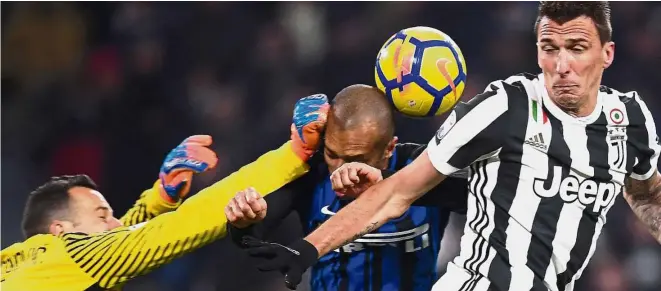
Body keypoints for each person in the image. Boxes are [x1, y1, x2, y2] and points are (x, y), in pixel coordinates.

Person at [242, 2, 661, 291]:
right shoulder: (504, 107)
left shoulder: (631, 121)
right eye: (549, 48)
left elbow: (647, 193)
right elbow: (398, 191)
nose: (561, 64)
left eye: (576, 48)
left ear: (606, 54)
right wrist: (308, 249)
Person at [0, 94, 329, 291]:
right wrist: (293, 154)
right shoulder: (75, 254)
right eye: (102, 216)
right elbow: (184, 225)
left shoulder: (22, 267)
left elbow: (122, 239)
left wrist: (159, 199)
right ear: (61, 230)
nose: (115, 224)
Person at [225, 84, 469, 291]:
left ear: (389, 149)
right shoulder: (313, 172)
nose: (339, 169)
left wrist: (385, 179)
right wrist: (243, 220)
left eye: (356, 159)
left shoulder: (422, 166)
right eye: (332, 154)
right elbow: (250, 237)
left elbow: (476, 194)